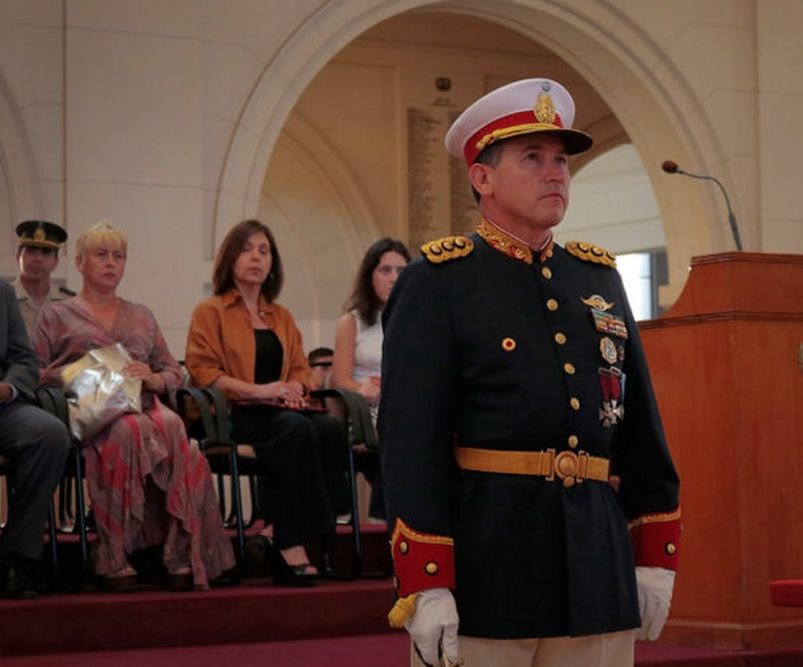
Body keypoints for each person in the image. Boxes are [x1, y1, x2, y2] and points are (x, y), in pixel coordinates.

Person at [380, 78, 681, 667]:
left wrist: (653, 556)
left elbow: (641, 429)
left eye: (561, 161)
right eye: (533, 158)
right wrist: (426, 580)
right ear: (482, 178)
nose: (555, 173)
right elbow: (409, 443)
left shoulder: (596, 280)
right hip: (490, 569)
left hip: (596, 570)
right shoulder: (440, 282)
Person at [34, 221, 234, 591]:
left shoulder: (141, 314)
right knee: (131, 429)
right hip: (93, 412)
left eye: (118, 256)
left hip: (141, 401)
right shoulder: (56, 314)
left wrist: (155, 378)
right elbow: (36, 374)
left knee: (175, 430)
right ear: (79, 262)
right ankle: (115, 553)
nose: (110, 263)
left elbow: (173, 371)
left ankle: (177, 552)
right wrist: (79, 372)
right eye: (101, 255)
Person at [185, 219, 343, 586]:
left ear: (273, 263)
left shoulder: (281, 316)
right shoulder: (211, 311)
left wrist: (293, 388)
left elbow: (303, 368)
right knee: (296, 431)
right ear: (230, 257)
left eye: (264, 250)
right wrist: (262, 391)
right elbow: (203, 370)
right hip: (235, 412)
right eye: (247, 249)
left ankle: (277, 529)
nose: (256, 257)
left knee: (331, 428)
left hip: (280, 409)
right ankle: (290, 543)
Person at [0, 281, 72, 599]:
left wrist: (9, 388)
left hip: (2, 409)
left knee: (50, 433)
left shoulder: (2, 292)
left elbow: (24, 361)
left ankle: (19, 556)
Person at [330, 238, 410, 423]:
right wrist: (363, 389)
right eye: (385, 270)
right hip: (367, 410)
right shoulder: (351, 322)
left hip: (406, 403)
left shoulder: (416, 322)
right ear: (370, 276)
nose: (394, 279)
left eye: (401, 271)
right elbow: (339, 380)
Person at [12, 220, 75, 343]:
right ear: (18, 256)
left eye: (46, 253)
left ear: (56, 261)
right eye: (31, 251)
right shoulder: (4, 299)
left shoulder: (69, 303)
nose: (38, 259)